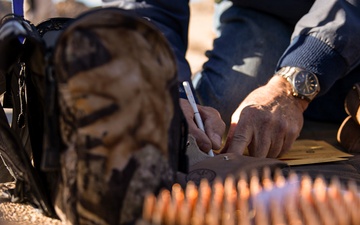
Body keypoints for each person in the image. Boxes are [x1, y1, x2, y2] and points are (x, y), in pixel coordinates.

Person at [103, 0, 360, 159]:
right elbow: (144, 8)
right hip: (267, 9)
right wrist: (164, 93)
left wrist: (292, 87)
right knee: (224, 112)